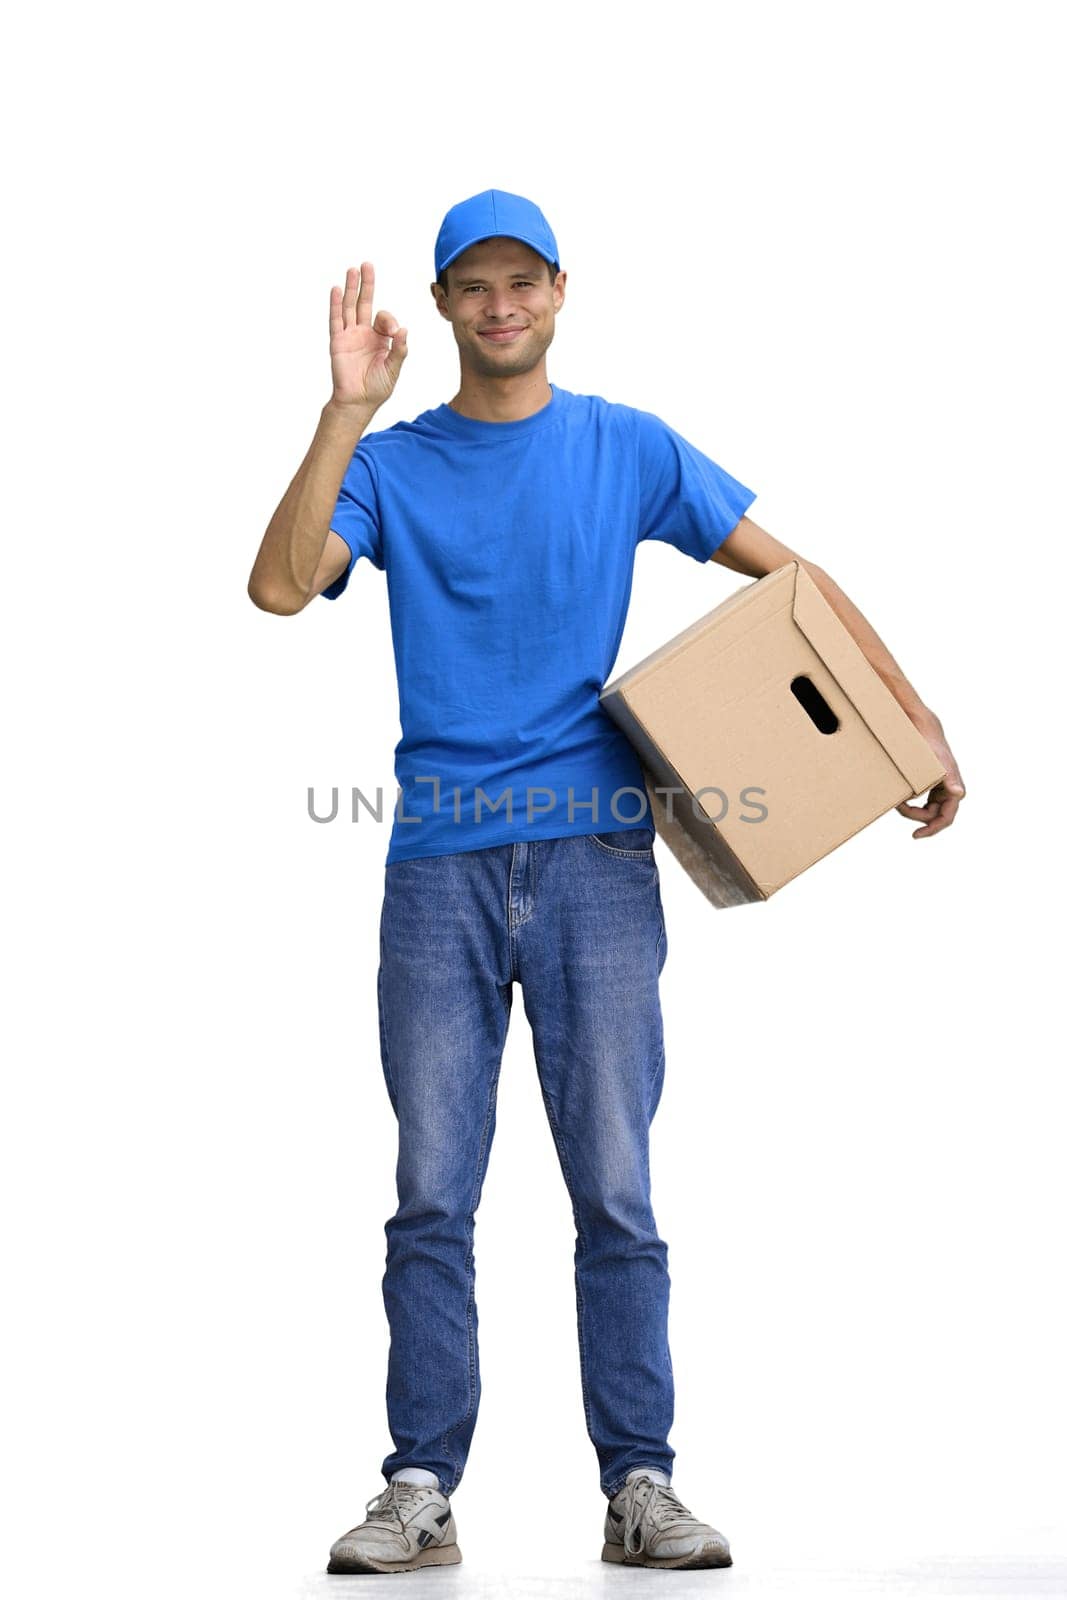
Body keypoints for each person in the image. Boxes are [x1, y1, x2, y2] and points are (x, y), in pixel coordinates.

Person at [247, 189, 966, 1575]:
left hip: (595, 863)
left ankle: (641, 1484)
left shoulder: (627, 448)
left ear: (560, 292)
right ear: (447, 306)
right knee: (431, 1193)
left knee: (616, 1191)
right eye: (474, 285)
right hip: (437, 868)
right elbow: (281, 588)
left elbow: (795, 581)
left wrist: (907, 723)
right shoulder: (391, 466)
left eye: (523, 281)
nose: (500, 304)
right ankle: (417, 1485)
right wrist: (341, 411)